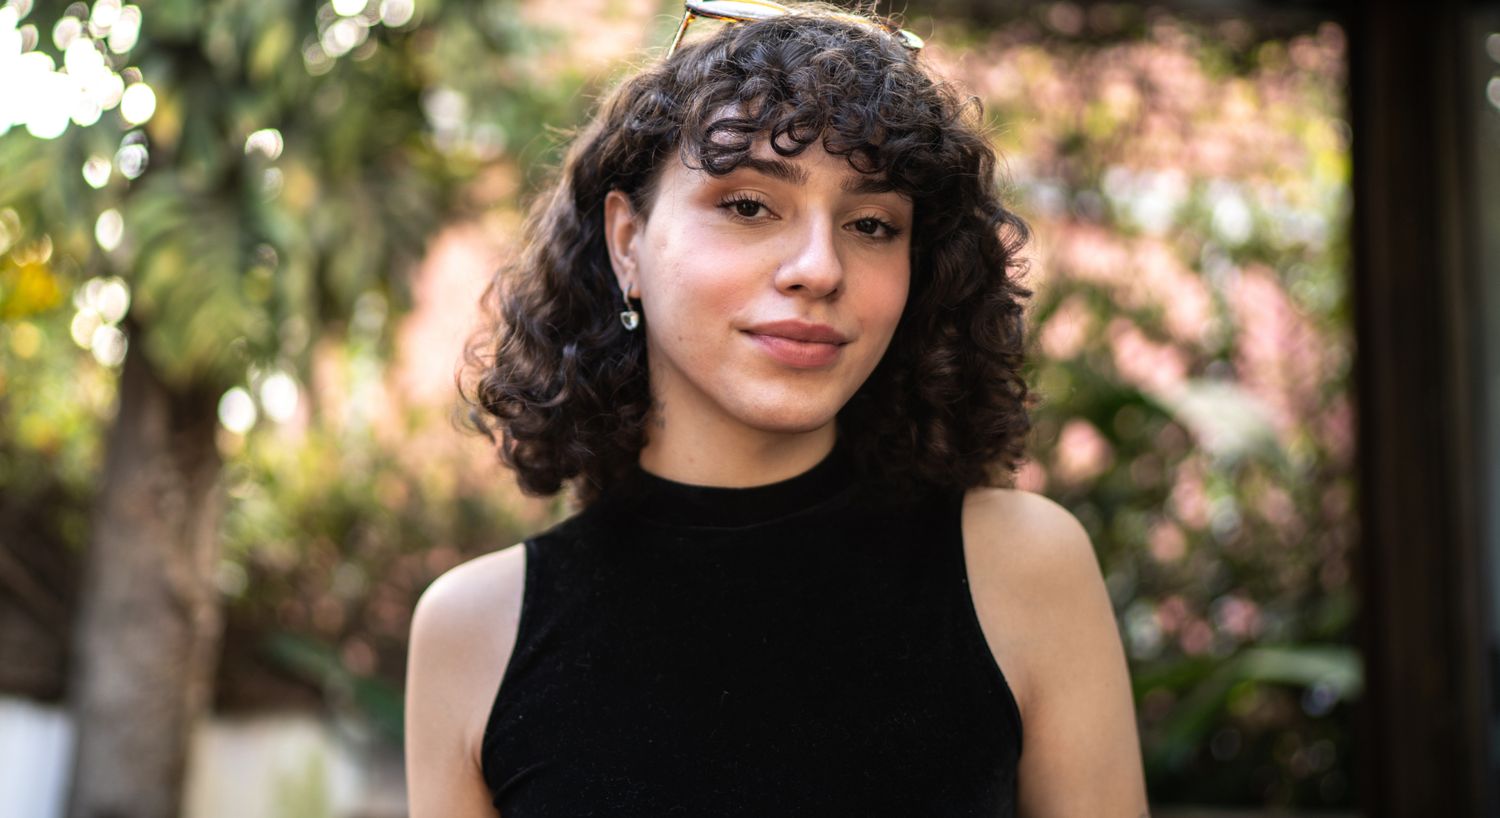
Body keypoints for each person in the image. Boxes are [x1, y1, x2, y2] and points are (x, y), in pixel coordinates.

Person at [404, 1, 1149, 815]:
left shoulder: (1023, 573)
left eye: (872, 223)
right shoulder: (475, 634)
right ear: (628, 243)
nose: (819, 268)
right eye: (749, 206)